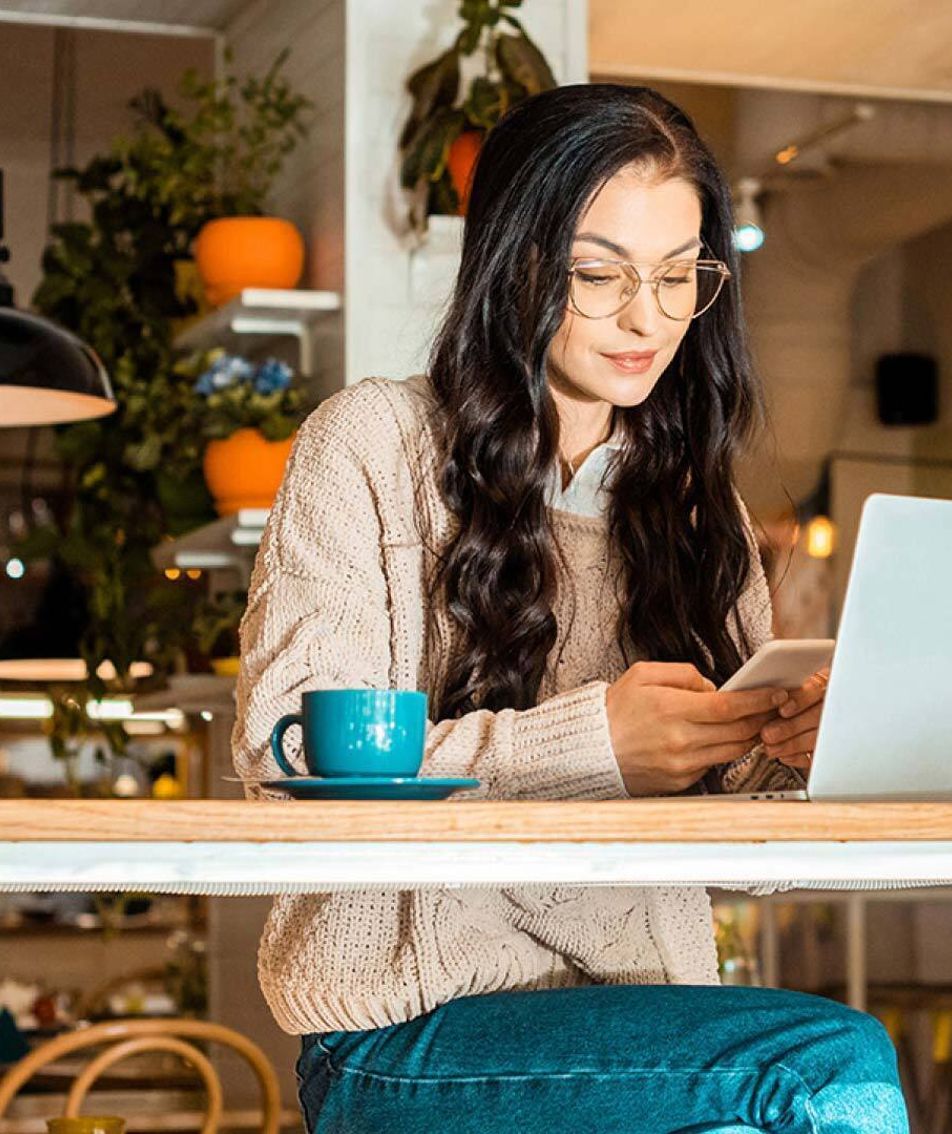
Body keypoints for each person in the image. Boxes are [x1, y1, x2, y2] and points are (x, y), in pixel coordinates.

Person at [231, 82, 908, 1133]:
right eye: (602, 276)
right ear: (517, 262)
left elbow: (758, 860)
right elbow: (288, 758)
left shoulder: (696, 507)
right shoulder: (367, 445)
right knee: (829, 1068)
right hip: (403, 1030)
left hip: (645, 1025)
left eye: (681, 277)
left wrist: (814, 759)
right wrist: (594, 743)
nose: (649, 319)